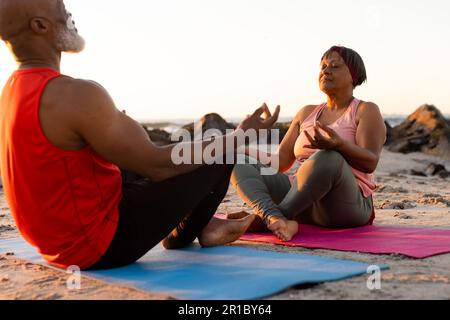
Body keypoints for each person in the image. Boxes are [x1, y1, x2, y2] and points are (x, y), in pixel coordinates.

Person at [0, 0, 280, 270]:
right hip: (96, 247)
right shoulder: (74, 94)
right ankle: (187, 234)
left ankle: (207, 222)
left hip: (53, 243)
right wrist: (241, 134)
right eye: (60, 6)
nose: (69, 13)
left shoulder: (11, 91)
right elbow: (157, 165)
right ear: (40, 25)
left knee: (177, 150)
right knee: (222, 149)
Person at [230, 46, 387, 242]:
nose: (326, 71)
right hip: (303, 203)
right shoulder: (306, 113)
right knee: (237, 161)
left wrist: (339, 146)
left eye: (335, 66)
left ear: (354, 76)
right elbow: (280, 163)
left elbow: (370, 162)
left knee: (328, 157)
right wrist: (241, 147)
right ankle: (274, 217)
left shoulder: (365, 110)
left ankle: (266, 218)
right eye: (323, 66)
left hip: (344, 205)